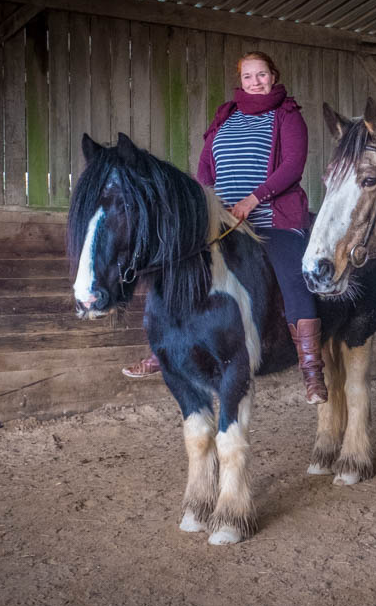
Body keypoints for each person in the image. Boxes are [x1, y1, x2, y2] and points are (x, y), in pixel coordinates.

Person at [123, 51, 327, 405]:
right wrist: (206, 203)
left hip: (271, 218)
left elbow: (293, 165)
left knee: (293, 275)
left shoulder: (287, 116)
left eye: (261, 74)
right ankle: (161, 349)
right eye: (248, 76)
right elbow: (205, 167)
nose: (255, 82)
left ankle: (311, 370)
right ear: (241, 80)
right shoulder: (226, 116)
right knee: (177, 265)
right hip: (223, 220)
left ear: (273, 76)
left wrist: (253, 199)